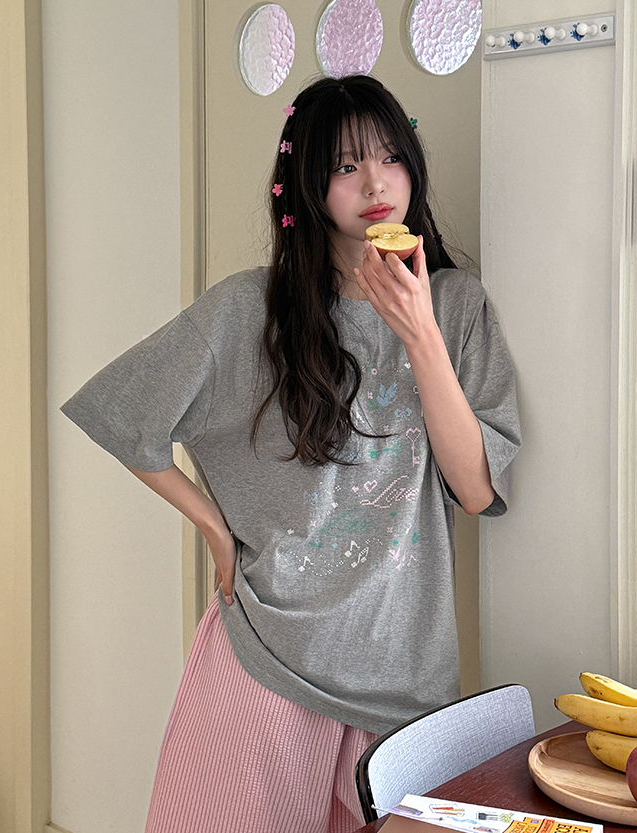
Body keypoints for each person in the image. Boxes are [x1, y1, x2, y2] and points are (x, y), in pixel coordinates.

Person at [61, 74, 521, 833]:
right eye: (344, 165)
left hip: (404, 676)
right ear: (307, 184)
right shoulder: (248, 309)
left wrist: (418, 331)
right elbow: (122, 412)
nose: (375, 183)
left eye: (390, 157)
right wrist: (213, 527)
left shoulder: (457, 306)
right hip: (267, 663)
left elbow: (474, 490)